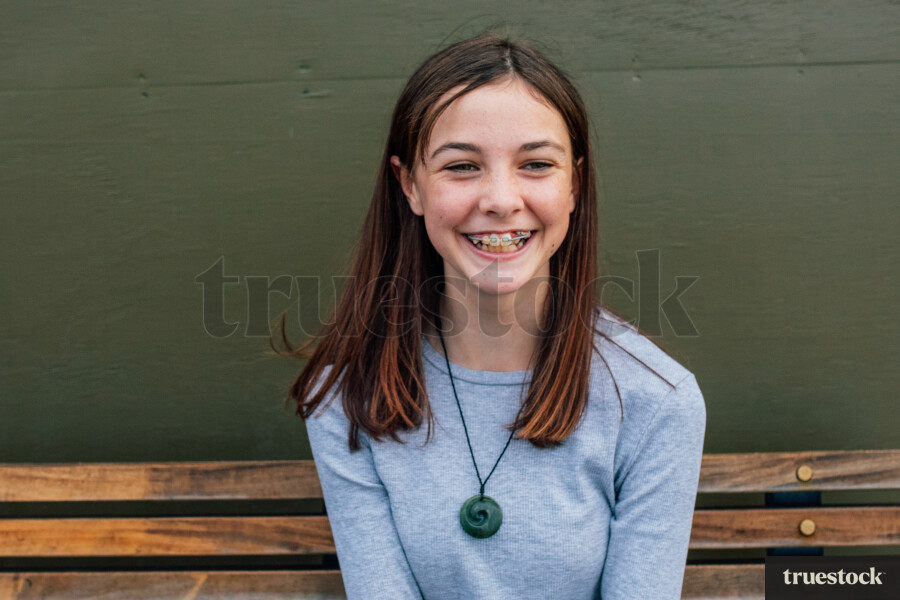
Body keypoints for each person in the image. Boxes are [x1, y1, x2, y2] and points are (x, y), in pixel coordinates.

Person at [276, 33, 706, 600]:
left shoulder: (657, 403)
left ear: (574, 184)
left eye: (535, 164)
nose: (501, 199)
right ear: (410, 185)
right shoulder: (345, 395)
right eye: (462, 166)